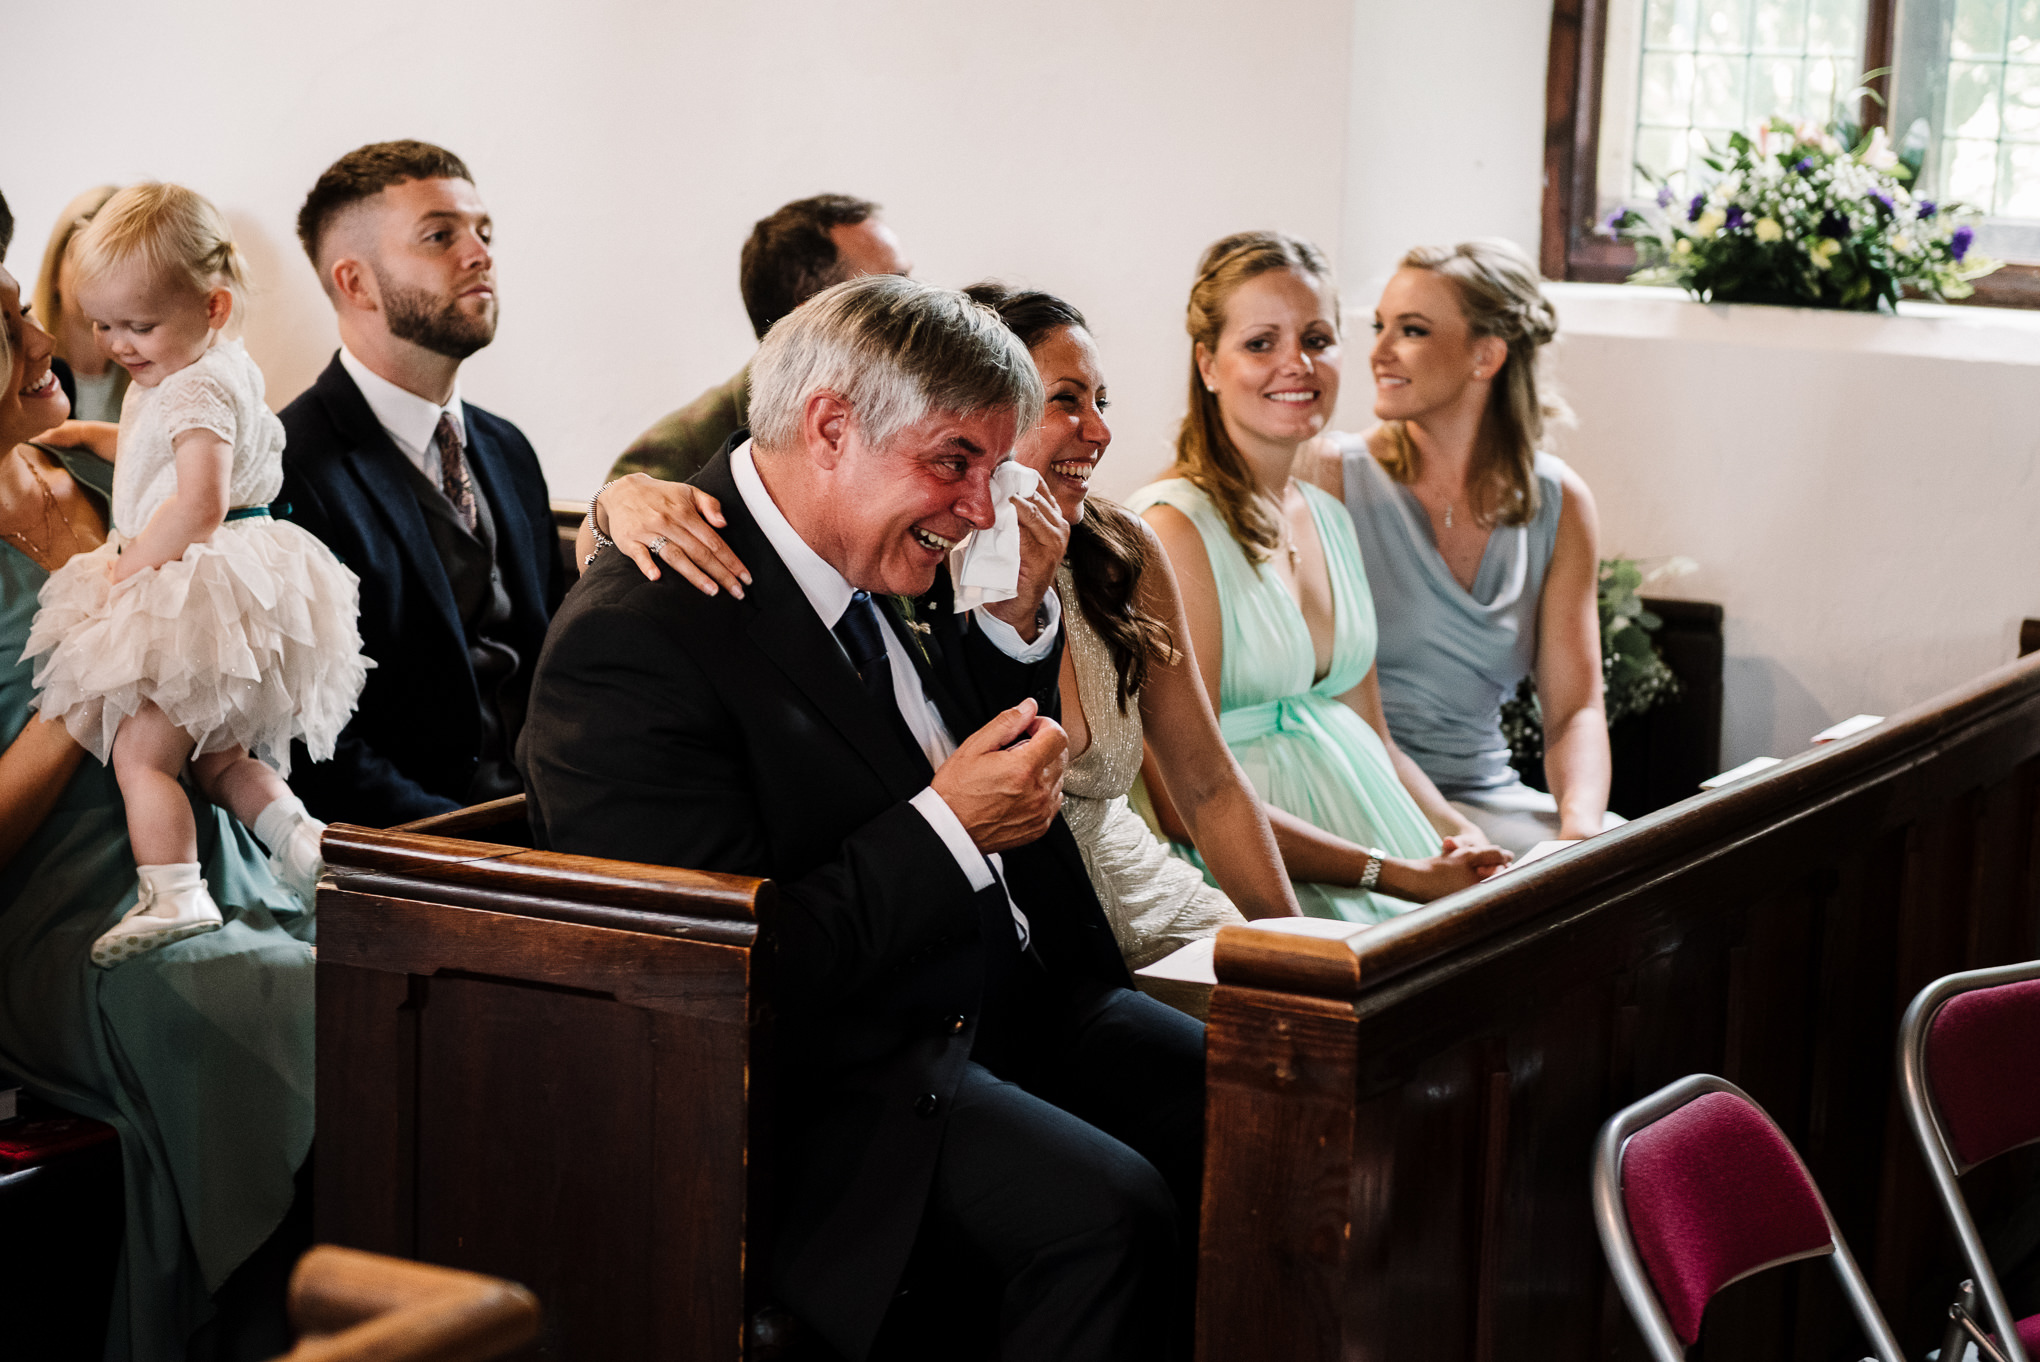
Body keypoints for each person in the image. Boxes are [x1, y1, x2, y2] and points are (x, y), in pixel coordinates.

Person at [524, 274, 1204, 1361]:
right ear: (830, 427)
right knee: (1107, 1219)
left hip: (1004, 996)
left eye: (993, 465)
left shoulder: (881, 536)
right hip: (842, 1084)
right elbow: (715, 975)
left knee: (1267, 1113)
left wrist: (1017, 627)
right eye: (955, 464)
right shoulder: (637, 643)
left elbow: (950, 736)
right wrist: (949, 825)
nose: (983, 507)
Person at [592, 282, 1304, 1015]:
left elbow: (1206, 783)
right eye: (1065, 400)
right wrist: (617, 501)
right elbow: (703, 528)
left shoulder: (1100, 551)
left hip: (1070, 919)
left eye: (1102, 401)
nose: (1097, 431)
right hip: (925, 954)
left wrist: (1297, 952)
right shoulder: (886, 553)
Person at [0, 244, 313, 1362]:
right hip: (61, 905)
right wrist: (95, 671)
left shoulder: (94, 472)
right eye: (8, 328)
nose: (47, 343)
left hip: (211, 845)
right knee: (273, 998)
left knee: (384, 968)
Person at [23, 183, 363, 963]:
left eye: (139, 325)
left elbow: (198, 501)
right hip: (242, 581)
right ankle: (301, 842)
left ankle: (173, 891)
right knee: (220, 760)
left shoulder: (194, 383)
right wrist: (93, 433)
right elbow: (157, 448)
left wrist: (128, 572)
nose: (118, 344)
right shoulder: (199, 369)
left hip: (195, 578)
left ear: (212, 306)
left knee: (142, 756)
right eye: (103, 325)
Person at [1129, 231, 1509, 922]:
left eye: (1317, 338)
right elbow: (1185, 801)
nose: (1296, 364)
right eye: (1260, 343)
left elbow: (1377, 736)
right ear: (1208, 363)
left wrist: (1460, 833)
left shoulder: (1328, 516)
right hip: (1263, 878)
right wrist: (1393, 875)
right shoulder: (1173, 530)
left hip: (1390, 847)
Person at [278, 140, 565, 827]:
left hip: (560, 817)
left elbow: (559, 663)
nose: (480, 253)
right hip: (417, 852)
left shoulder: (506, 447)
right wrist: (466, 854)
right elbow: (315, 743)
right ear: (356, 283)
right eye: (440, 236)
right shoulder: (290, 467)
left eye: (483, 232)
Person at [1301, 241, 1618, 855]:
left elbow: (1575, 709)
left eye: (1412, 330)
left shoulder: (1560, 502)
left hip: (1486, 791)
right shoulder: (1330, 475)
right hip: (1356, 790)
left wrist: (1579, 837)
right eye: (1379, 326)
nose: (1379, 352)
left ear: (1486, 355)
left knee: (1624, 879)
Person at [604, 193, 911, 485]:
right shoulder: (672, 458)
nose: (917, 307)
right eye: (894, 291)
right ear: (814, 322)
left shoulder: (909, 414)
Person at [34, 186, 131, 421]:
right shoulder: (22, 371)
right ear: (55, 270)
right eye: (87, 260)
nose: (100, 278)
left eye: (117, 263)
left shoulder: (148, 380)